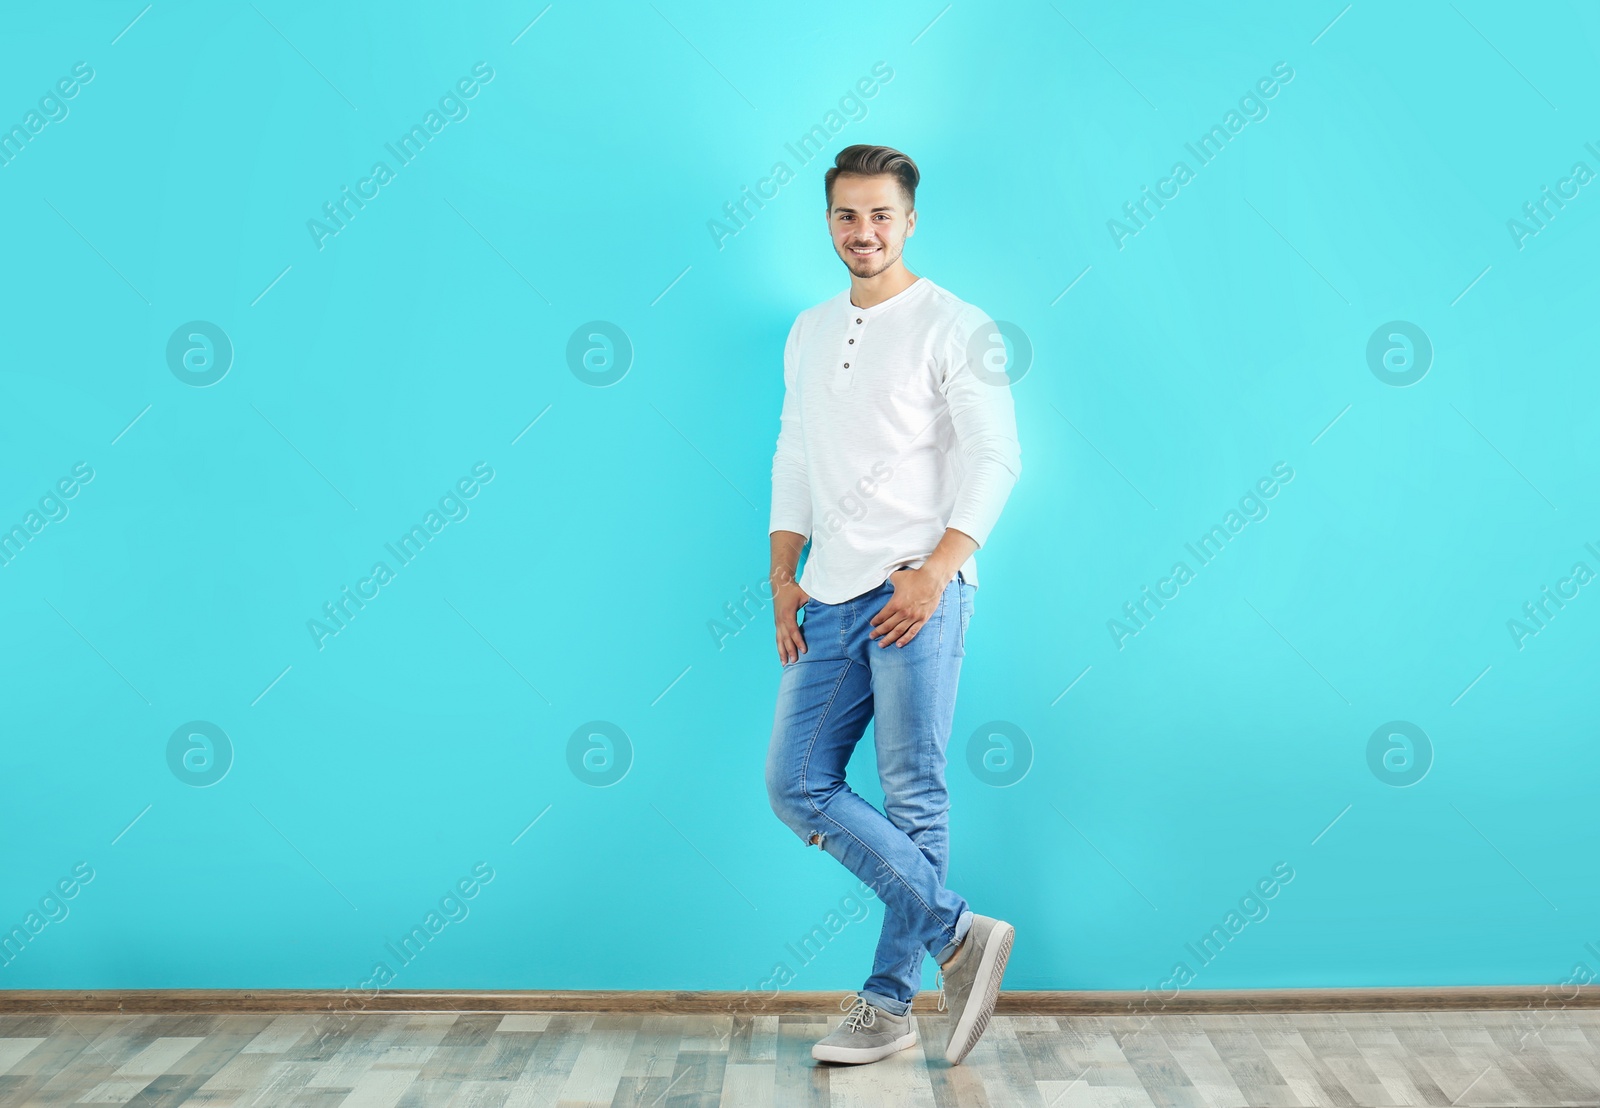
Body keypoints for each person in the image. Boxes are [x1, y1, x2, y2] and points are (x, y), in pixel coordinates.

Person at [763, 143, 1022, 1067]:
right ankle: (958, 934)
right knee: (796, 784)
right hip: (827, 590)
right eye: (846, 215)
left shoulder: (956, 324)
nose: (863, 232)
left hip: (918, 585)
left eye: (880, 215)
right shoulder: (805, 328)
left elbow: (996, 458)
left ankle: (888, 1005)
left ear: (910, 220)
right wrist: (782, 574)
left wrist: (937, 570)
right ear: (827, 222)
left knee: (913, 795)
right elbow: (795, 451)